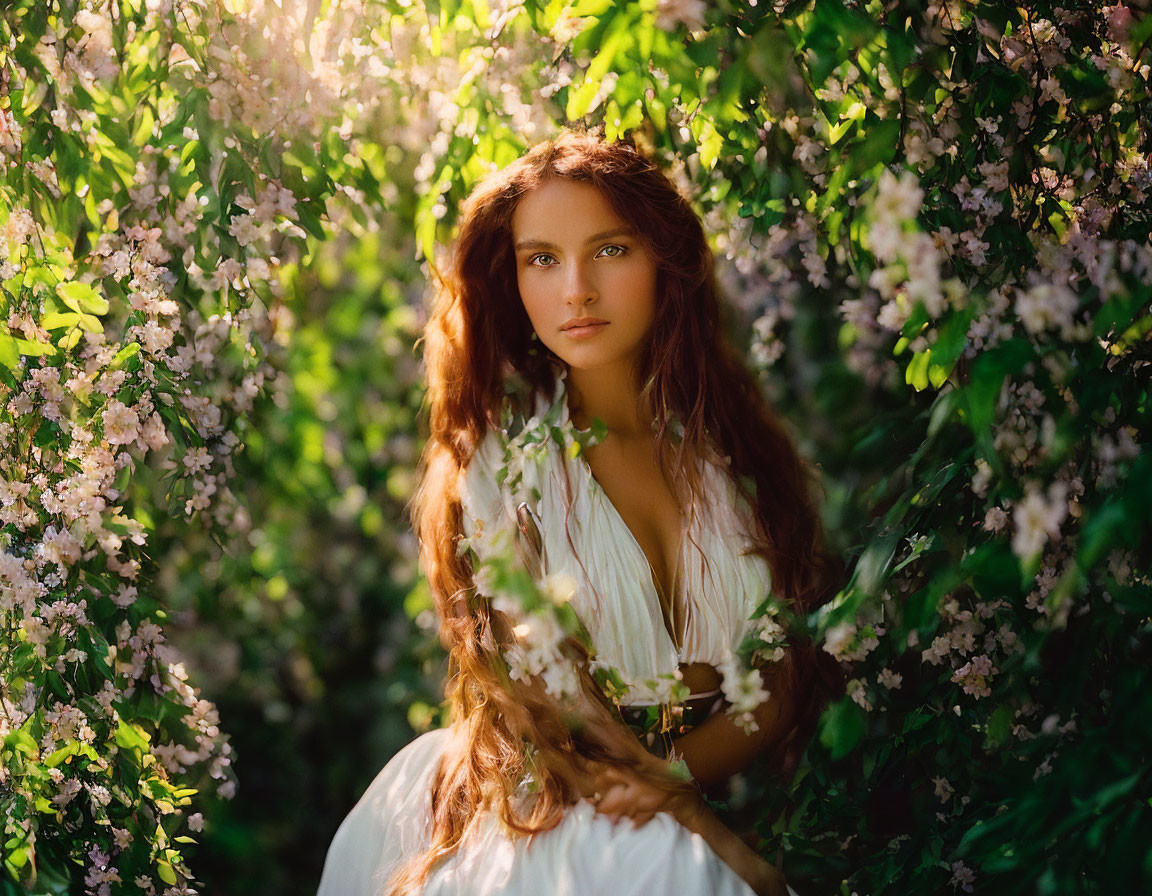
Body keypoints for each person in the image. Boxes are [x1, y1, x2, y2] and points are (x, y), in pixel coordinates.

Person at [316, 129, 839, 896]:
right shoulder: (501, 468)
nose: (576, 291)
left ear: (664, 258)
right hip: (556, 798)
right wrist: (697, 824)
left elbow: (784, 667)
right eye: (543, 259)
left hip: (674, 793)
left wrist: (678, 778)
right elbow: (548, 702)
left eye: (611, 250)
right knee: (664, 871)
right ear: (513, 279)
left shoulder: (730, 457)